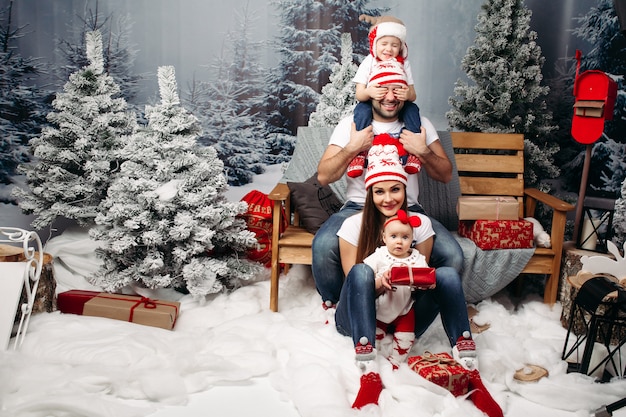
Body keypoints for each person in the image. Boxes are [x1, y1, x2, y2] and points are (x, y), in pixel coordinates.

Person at [311, 57, 465, 335]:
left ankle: (406, 311)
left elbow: (444, 174)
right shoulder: (351, 125)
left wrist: (423, 151)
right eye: (382, 88)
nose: (390, 97)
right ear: (370, 90)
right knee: (323, 246)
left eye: (398, 88)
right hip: (358, 207)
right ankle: (341, 306)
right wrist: (352, 147)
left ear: (406, 90)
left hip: (409, 209)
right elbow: (324, 175)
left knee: (453, 255)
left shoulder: (421, 124)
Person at [334, 144, 475, 409]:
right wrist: (378, 283)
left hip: (403, 318)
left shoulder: (419, 227)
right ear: (369, 194)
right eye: (379, 191)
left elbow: (420, 274)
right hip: (359, 319)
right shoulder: (352, 225)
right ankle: (369, 367)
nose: (388, 198)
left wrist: (423, 281)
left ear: (405, 191)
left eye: (395, 189)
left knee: (445, 273)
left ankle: (465, 351)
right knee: (362, 270)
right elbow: (353, 285)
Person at [348, 14, 422, 178]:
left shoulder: (404, 63)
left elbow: (413, 94)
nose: (389, 49)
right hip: (374, 102)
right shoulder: (369, 61)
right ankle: (360, 153)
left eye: (394, 45)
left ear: (401, 47)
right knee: (361, 110)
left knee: (412, 110)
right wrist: (369, 92)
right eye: (384, 44)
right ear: (375, 45)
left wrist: (406, 94)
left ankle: (413, 152)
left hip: (396, 103)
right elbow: (359, 94)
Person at [362, 207, 432, 370]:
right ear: (384, 238)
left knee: (407, 337)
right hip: (381, 306)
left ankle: (395, 363)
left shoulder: (416, 257)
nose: (399, 241)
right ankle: (375, 360)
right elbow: (363, 279)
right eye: (394, 236)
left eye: (405, 237)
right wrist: (380, 280)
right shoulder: (379, 255)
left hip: (405, 309)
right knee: (374, 335)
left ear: (412, 239)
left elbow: (426, 277)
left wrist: (425, 283)